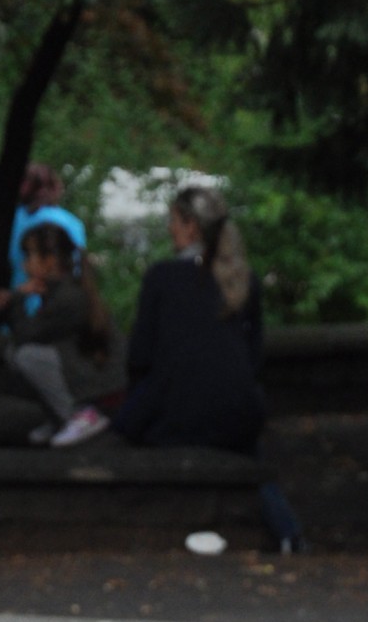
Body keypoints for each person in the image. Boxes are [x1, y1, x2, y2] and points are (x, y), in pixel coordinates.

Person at [110, 183, 268, 462]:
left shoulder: (162, 277)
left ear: (191, 226)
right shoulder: (244, 279)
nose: (170, 228)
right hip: (240, 416)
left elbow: (140, 356)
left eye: (173, 221)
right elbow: (254, 355)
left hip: (177, 417)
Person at [0, 219, 124, 446]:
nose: (24, 264)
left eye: (30, 256)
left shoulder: (68, 297)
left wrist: (16, 299)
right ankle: (59, 418)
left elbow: (27, 335)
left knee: (26, 356)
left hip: (101, 384)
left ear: (49, 261)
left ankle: (80, 415)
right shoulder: (56, 291)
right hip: (82, 370)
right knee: (14, 354)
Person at [1, 160, 87, 298]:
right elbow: (78, 267)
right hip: (62, 298)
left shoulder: (12, 220)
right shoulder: (73, 222)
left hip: (21, 297)